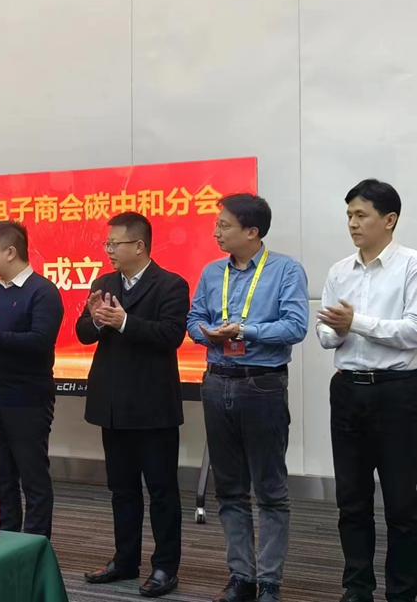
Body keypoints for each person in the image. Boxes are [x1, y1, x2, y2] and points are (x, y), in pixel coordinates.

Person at [187, 193, 309, 602]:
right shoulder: (211, 272)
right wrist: (206, 332)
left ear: (252, 231)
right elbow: (193, 319)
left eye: (224, 225)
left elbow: (295, 326)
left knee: (270, 490)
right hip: (216, 381)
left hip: (263, 385)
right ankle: (242, 576)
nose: (216, 232)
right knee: (229, 490)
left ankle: (270, 581)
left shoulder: (286, 270)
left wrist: (244, 330)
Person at [78, 212, 189, 599]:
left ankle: (165, 567)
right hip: (112, 404)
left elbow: (172, 334)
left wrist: (125, 322)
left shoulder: (171, 284)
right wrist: (96, 319)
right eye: (107, 244)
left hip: (153, 406)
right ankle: (125, 560)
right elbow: (83, 332)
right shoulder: (104, 283)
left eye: (115, 244)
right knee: (121, 490)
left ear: (139, 246)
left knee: (161, 491)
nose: (109, 250)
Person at [316, 179, 417, 602]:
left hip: (398, 393)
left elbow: (413, 331)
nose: (353, 224)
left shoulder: (411, 266)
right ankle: (357, 587)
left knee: (402, 504)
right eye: (349, 216)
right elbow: (324, 333)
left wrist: (355, 323)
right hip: (347, 390)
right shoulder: (340, 270)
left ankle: (403, 592)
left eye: (362, 215)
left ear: (389, 220)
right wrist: (338, 330)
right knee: (351, 499)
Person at [0, 221, 63, 538]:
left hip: (27, 400)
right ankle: (5, 537)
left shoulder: (43, 291)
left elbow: (40, 342)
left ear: (9, 252)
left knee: (33, 477)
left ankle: (34, 544)